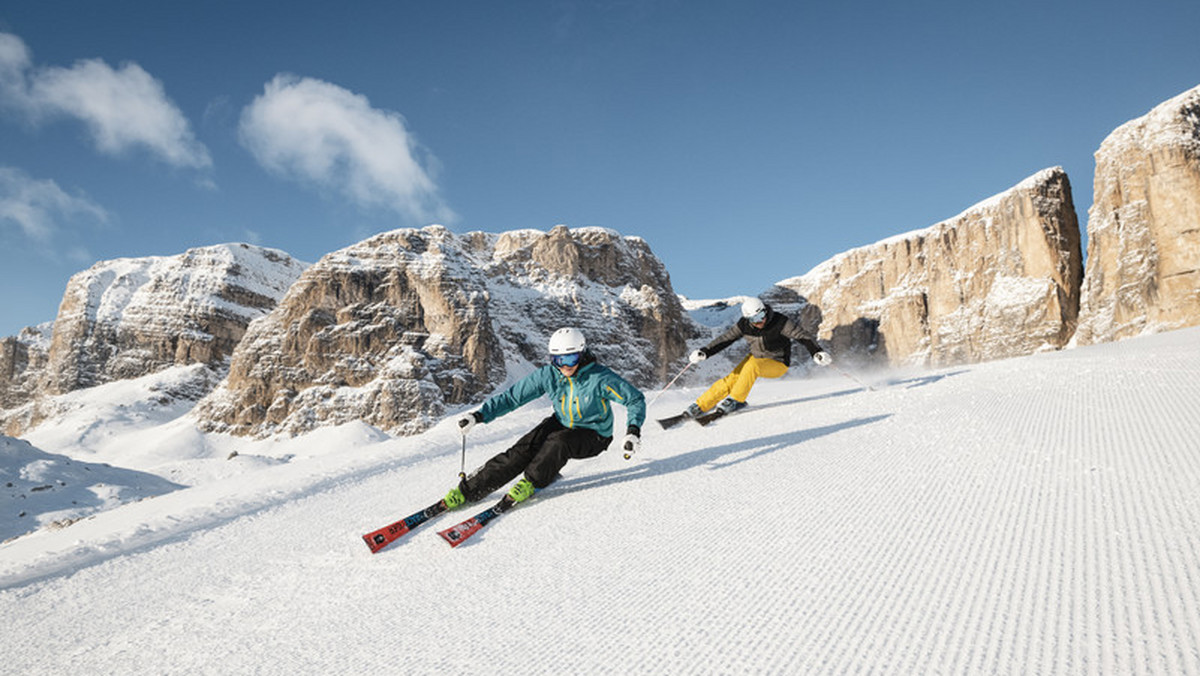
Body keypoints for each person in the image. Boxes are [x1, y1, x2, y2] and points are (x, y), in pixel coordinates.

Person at [446, 326, 646, 508]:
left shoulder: (600, 378)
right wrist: (478, 416)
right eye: (559, 360)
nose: (565, 366)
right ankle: (469, 490)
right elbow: (513, 398)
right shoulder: (549, 375)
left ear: (582, 354)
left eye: (571, 359)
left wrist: (633, 432)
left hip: (594, 434)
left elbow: (634, 399)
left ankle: (532, 482)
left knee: (558, 442)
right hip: (562, 422)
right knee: (522, 449)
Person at [682, 297, 831, 417]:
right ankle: (701, 405)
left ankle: (736, 400)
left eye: (760, 316)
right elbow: (726, 339)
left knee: (752, 366)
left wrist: (816, 352)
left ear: (765, 311)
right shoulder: (744, 325)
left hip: (777, 363)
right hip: (756, 358)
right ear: (748, 319)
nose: (759, 322)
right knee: (732, 378)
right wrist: (705, 352)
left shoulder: (780, 322)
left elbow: (802, 336)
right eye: (754, 320)